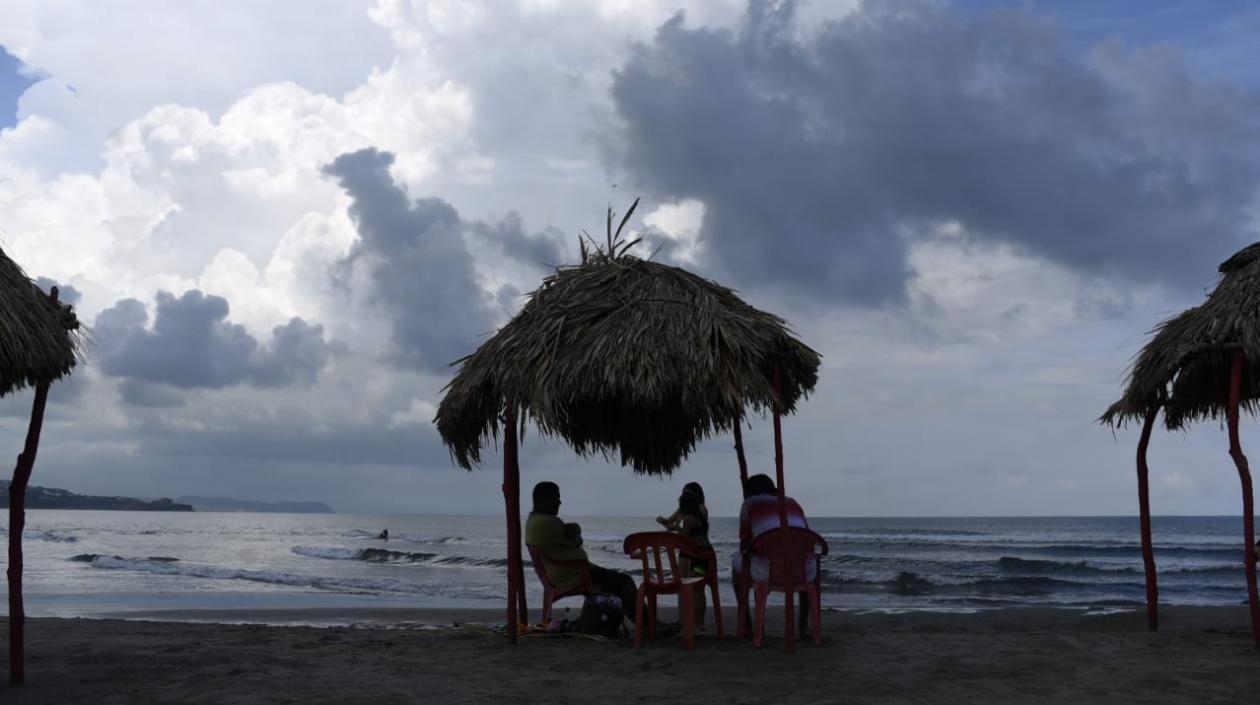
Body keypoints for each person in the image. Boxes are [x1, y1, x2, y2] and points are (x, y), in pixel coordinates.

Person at [525, 481, 638, 625]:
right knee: (625, 583)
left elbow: (569, 538)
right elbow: (576, 541)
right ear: (542, 501)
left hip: (564, 573)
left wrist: (573, 531)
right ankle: (647, 624)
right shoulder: (549, 523)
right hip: (573, 575)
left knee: (618, 583)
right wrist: (576, 532)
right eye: (556, 498)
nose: (560, 502)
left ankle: (644, 623)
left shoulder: (533, 521)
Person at [731, 473, 813, 635]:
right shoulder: (792, 502)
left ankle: (746, 622)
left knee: (737, 561)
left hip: (768, 572)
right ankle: (803, 624)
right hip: (803, 572)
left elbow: (744, 545)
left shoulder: (749, 504)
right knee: (801, 560)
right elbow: (807, 536)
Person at [658, 484, 713, 628]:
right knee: (686, 586)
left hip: (699, 554)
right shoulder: (691, 513)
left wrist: (675, 528)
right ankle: (685, 622)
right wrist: (667, 523)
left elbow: (684, 536)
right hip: (694, 553)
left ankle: (696, 624)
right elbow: (672, 522)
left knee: (695, 587)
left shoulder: (694, 514)